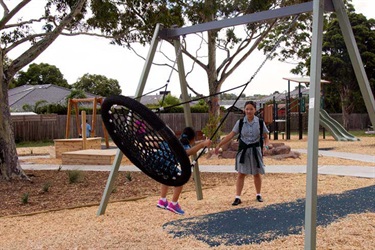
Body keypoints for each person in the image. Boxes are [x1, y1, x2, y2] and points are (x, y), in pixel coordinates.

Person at [214, 101, 270, 205]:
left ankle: (258, 194)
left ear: (255, 110)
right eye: (247, 109)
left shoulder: (260, 122)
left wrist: (265, 146)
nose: (249, 111)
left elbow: (266, 137)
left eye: (251, 109)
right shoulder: (240, 122)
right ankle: (237, 197)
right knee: (241, 173)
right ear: (244, 110)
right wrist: (219, 144)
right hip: (243, 150)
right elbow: (230, 135)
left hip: (255, 149)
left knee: (256, 173)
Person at [157, 126, 211, 215]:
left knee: (166, 177)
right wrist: (202, 145)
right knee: (181, 179)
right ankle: (173, 204)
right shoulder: (183, 146)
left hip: (160, 164)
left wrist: (202, 143)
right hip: (167, 165)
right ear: (192, 139)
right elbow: (188, 152)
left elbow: (160, 145)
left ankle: (162, 200)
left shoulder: (174, 141)